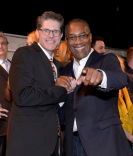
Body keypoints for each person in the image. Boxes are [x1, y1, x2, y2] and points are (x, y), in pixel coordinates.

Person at [6, 11, 74, 156]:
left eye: (55, 31)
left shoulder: (59, 65)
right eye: (46, 30)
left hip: (54, 143)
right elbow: (23, 95)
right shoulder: (24, 54)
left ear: (61, 35)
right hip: (29, 144)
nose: (51, 35)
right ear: (38, 32)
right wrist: (62, 91)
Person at [61, 18, 133, 156]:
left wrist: (101, 76)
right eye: (72, 37)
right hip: (73, 145)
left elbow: (120, 79)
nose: (78, 41)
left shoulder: (106, 60)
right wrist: (59, 97)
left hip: (104, 143)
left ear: (90, 37)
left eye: (82, 35)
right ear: (67, 41)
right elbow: (63, 115)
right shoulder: (64, 72)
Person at [0, 32, 12, 156]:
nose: (0, 46)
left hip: (16, 125)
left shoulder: (16, 66)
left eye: (3, 43)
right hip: (1, 126)